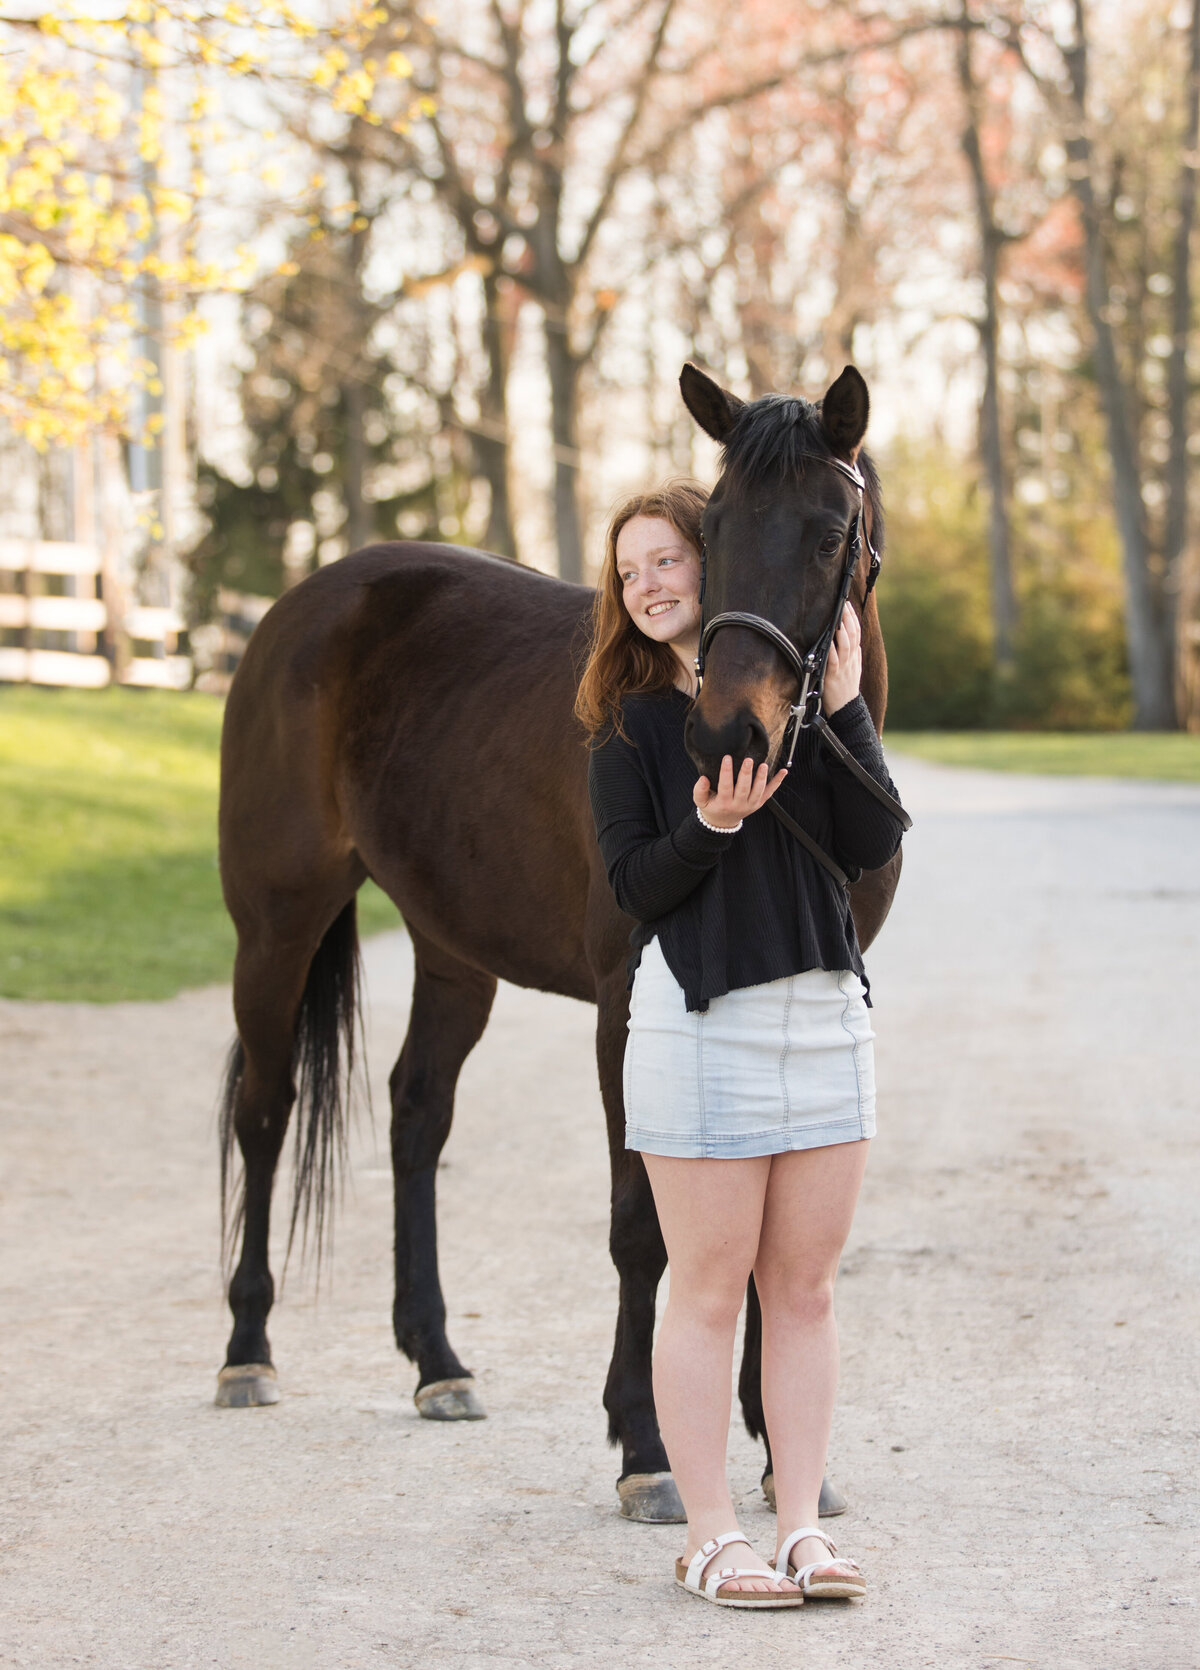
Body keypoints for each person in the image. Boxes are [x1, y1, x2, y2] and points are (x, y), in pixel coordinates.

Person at [577, 479, 906, 1610]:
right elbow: (633, 889)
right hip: (699, 1025)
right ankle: (712, 1533)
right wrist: (710, 826)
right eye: (630, 573)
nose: (649, 584)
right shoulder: (627, 732)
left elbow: (872, 843)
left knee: (805, 1290)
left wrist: (851, 708)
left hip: (822, 1017)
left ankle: (802, 1522)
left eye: (667, 559)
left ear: (716, 564)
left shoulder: (796, 698)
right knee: (707, 1290)